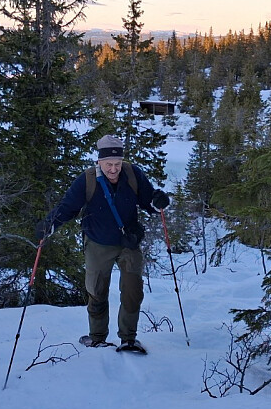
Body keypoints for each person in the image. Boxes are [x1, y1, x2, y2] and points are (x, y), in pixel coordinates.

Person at [36, 135, 170, 354]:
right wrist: (48, 225)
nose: (114, 169)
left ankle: (128, 339)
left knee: (132, 291)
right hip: (98, 243)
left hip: (128, 243)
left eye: (117, 164)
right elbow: (67, 207)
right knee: (97, 291)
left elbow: (149, 201)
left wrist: (158, 201)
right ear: (99, 161)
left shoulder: (132, 174)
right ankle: (97, 337)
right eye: (109, 164)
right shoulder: (87, 180)